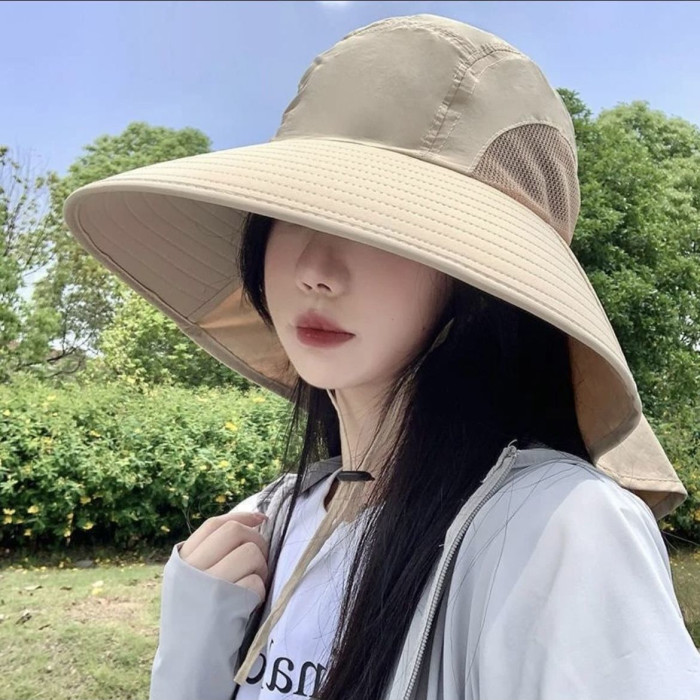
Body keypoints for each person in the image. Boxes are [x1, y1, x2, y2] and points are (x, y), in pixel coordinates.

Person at [63, 13, 700, 700]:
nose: (315, 270)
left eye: (380, 226)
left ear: (480, 285)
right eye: (292, 213)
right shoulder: (265, 523)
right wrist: (192, 654)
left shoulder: (560, 532)